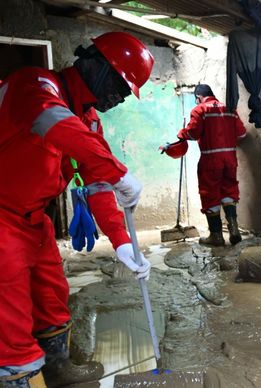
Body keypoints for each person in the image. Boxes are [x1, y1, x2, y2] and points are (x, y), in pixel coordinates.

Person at [0, 32, 154, 387]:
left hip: (34, 220)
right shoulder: (35, 85)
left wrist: (122, 241)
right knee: (9, 317)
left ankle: (57, 368)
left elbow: (98, 185)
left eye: (124, 94)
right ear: (95, 65)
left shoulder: (87, 119)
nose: (117, 99)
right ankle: (19, 379)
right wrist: (119, 171)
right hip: (2, 216)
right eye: (119, 86)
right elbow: (55, 123)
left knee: (52, 297)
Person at [175, 84, 247, 246]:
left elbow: (193, 133)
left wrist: (181, 133)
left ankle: (216, 236)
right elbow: (242, 133)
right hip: (230, 159)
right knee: (229, 190)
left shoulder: (200, 110)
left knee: (210, 195)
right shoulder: (229, 108)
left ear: (198, 97)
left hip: (210, 160)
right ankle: (234, 229)